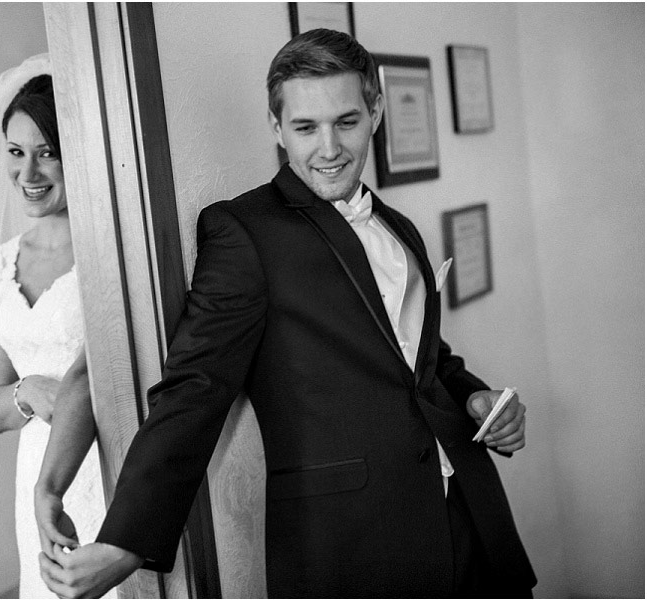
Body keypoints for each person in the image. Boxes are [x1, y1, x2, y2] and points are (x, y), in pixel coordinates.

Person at [39, 30, 536, 598]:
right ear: (277, 128)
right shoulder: (243, 233)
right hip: (352, 546)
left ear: (375, 111)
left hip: (471, 517)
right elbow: (195, 388)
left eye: (346, 122)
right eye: (305, 128)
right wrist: (126, 542)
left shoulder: (400, 227)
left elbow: (422, 357)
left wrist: (477, 397)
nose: (329, 148)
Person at [0, 55, 113, 599]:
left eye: (47, 153)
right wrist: (28, 391)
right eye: (17, 154)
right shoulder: (2, 263)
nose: (29, 174)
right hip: (33, 476)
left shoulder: (109, 254)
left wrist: (63, 393)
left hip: (104, 463)